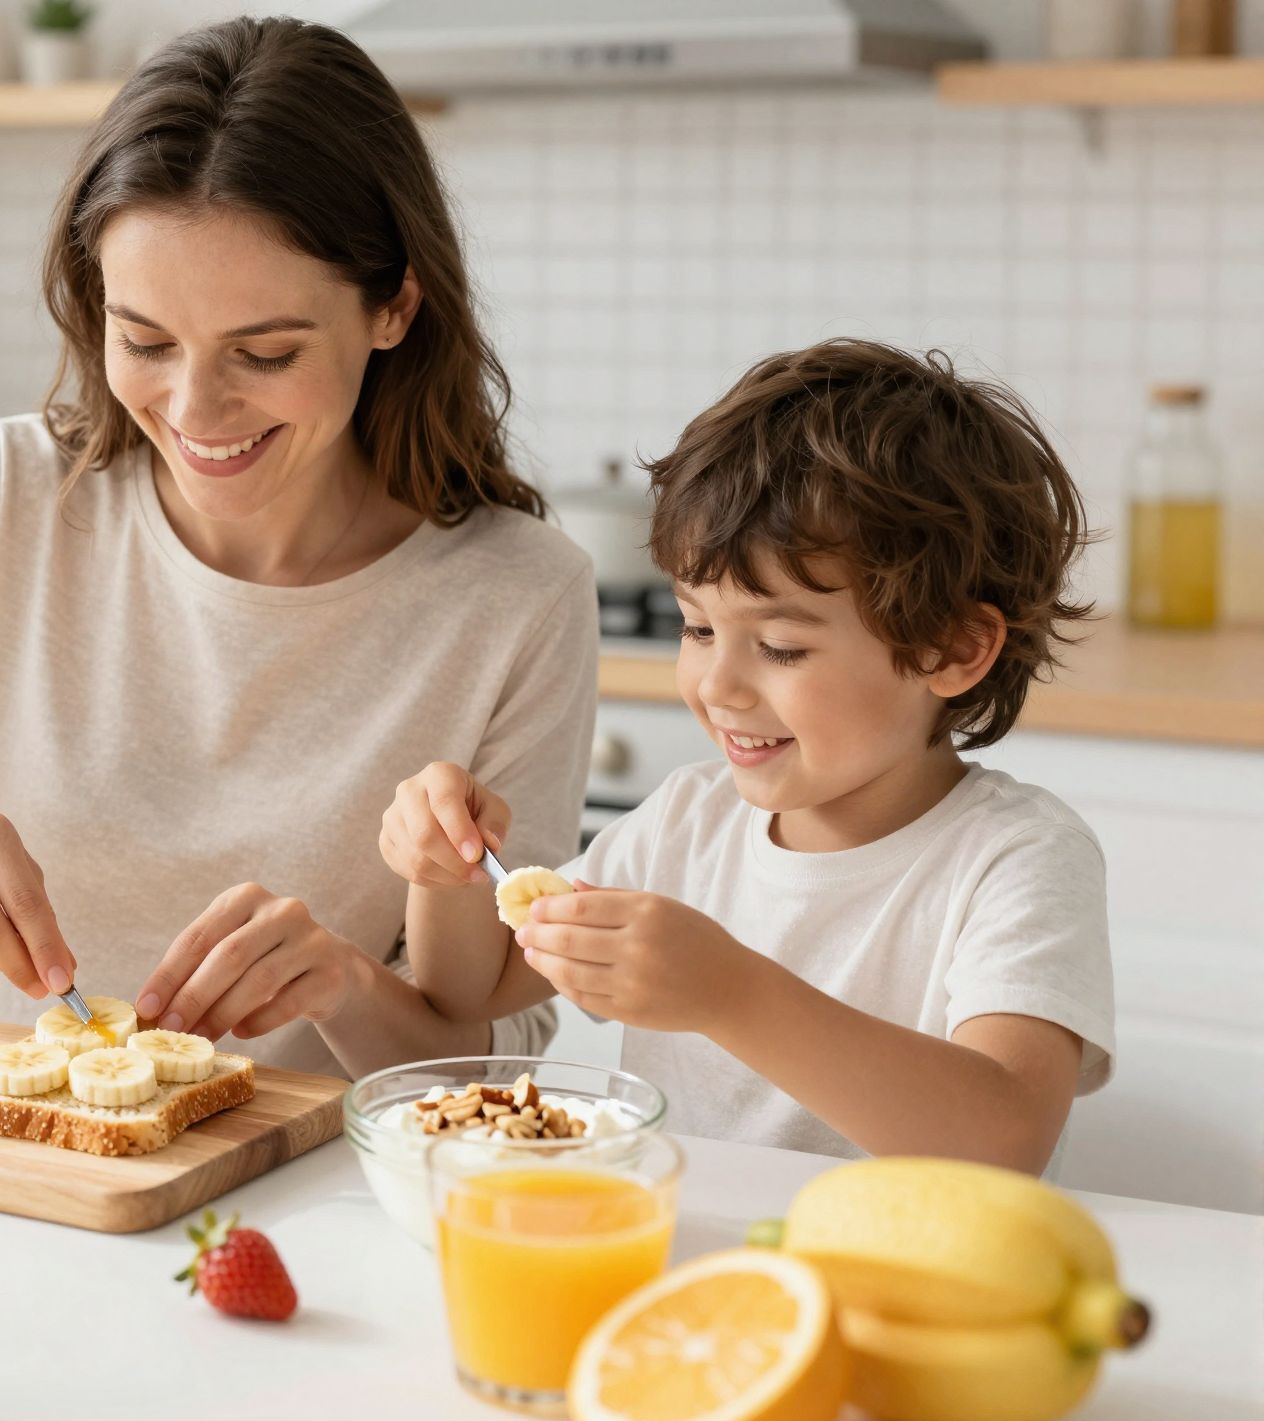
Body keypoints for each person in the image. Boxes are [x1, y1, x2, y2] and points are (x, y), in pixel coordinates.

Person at [0, 16, 596, 1079]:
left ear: (392, 306)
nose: (195, 407)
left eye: (264, 351)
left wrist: (347, 983)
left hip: (305, 1198)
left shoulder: (518, 596)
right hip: (8, 1170)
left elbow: (495, 1052)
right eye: (145, 341)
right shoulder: (9, 496)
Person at [379, 339, 1114, 1171]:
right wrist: (448, 875)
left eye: (780, 647)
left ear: (952, 648)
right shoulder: (689, 822)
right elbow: (470, 993)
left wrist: (732, 993)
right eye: (697, 629)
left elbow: (1005, 1138)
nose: (715, 686)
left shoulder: (1016, 858)